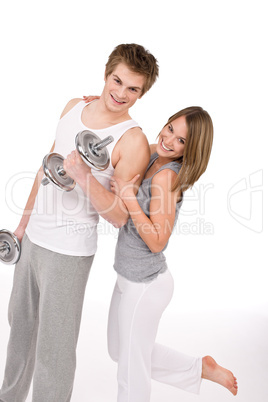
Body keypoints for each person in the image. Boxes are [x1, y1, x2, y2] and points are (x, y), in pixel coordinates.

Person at [0, 44, 158, 402]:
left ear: (142, 93)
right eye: (117, 81)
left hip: (69, 253)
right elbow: (45, 166)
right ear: (106, 75)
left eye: (132, 89)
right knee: (20, 331)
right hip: (33, 241)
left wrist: (86, 178)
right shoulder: (74, 106)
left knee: (54, 350)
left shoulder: (132, 141)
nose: (120, 93)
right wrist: (21, 227)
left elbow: (120, 216)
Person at [106, 106, 238, 401]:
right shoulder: (154, 154)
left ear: (190, 151)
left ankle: (195, 370)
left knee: (131, 368)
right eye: (170, 129)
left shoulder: (166, 177)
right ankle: (198, 368)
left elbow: (157, 241)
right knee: (121, 351)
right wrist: (102, 107)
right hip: (128, 275)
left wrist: (129, 198)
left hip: (145, 284)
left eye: (181, 141)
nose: (169, 141)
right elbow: (124, 141)